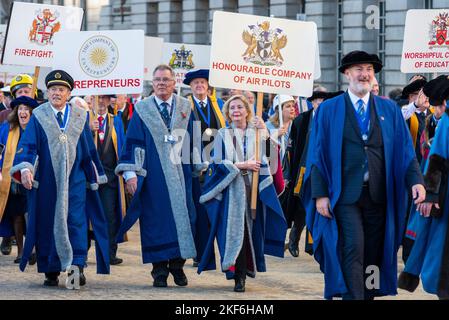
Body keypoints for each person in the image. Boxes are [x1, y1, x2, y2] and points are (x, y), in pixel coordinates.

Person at [302, 51, 426, 300]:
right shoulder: (329, 109)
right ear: (347, 74)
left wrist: (416, 181)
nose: (364, 74)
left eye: (369, 69)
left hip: (379, 195)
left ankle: (366, 295)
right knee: (353, 247)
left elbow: (405, 151)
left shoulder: (389, 109)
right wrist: (320, 194)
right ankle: (353, 297)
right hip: (344, 195)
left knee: (373, 251)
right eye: (358, 69)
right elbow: (316, 155)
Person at [9, 70, 110, 287]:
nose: (57, 93)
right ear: (47, 92)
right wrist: (26, 169)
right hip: (47, 183)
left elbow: (88, 149)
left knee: (76, 223)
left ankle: (76, 270)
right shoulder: (39, 116)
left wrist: (94, 176)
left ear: (69, 93)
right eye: (53, 89)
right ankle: (51, 270)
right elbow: (28, 146)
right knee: (48, 223)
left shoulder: (79, 116)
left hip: (75, 182)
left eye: (61, 90)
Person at [115, 65, 202, 288]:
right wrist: (131, 174)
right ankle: (159, 271)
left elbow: (194, 137)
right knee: (156, 221)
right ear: (152, 84)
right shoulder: (142, 109)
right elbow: (132, 141)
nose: (161, 83)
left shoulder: (185, 106)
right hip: (153, 176)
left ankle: (177, 266)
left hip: (181, 174)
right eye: (157, 80)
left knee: (183, 219)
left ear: (174, 83)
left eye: (166, 79)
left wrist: (199, 165)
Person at [197, 94, 287, 292]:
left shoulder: (257, 132)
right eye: (232, 108)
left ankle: (246, 270)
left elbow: (272, 159)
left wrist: (265, 132)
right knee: (238, 232)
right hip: (232, 191)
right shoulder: (222, 134)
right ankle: (239, 275)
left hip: (254, 189)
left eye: (239, 107)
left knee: (251, 232)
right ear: (228, 113)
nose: (236, 111)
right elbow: (217, 162)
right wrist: (241, 165)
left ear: (247, 110)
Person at [398, 75, 449, 299]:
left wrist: (430, 195)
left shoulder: (446, 120)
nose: (435, 111)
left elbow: (437, 158)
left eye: (436, 105)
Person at [284, 91, 344, 258]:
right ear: (312, 103)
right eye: (317, 101)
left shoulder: (332, 119)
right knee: (301, 205)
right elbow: (290, 149)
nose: (320, 103)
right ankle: (295, 235)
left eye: (322, 100)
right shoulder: (301, 120)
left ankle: (313, 243)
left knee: (319, 206)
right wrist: (288, 173)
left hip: (324, 169)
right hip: (303, 169)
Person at [183, 69, 226, 267]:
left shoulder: (220, 106)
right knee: (199, 212)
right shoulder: (184, 106)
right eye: (195, 83)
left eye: (202, 82)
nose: (199, 86)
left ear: (208, 86)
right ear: (190, 87)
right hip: (196, 168)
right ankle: (201, 255)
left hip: (218, 167)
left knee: (217, 211)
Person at [0, 75, 37, 258]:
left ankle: (33, 249)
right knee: (16, 214)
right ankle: (22, 251)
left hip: (33, 177)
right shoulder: (7, 127)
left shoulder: (39, 124)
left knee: (31, 213)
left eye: (27, 109)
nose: (23, 112)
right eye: (20, 108)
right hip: (12, 177)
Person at [90, 95, 126, 265]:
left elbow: (123, 146)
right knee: (87, 216)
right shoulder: (84, 119)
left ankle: (109, 253)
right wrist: (90, 130)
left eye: (104, 98)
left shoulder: (116, 120)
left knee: (109, 217)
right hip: (89, 177)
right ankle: (82, 251)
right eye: (97, 98)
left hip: (111, 178)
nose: (101, 102)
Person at [401, 75, 432, 165]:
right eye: (421, 94)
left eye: (427, 93)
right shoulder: (405, 114)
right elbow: (400, 115)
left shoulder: (434, 113)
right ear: (410, 97)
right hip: (411, 164)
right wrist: (415, 105)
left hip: (430, 165)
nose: (426, 97)